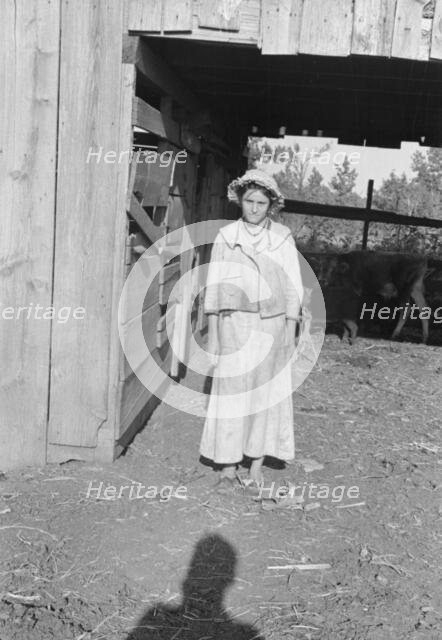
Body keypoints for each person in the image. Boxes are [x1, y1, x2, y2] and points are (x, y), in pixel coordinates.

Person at [200, 169, 304, 491]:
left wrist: (289, 328)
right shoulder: (227, 237)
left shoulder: (282, 238)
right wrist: (215, 334)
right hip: (234, 324)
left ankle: (255, 464)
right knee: (232, 392)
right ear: (240, 201)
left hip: (270, 325)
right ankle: (228, 465)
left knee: (264, 393)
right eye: (249, 201)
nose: (255, 208)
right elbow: (214, 288)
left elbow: (293, 287)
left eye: (261, 202)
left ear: (271, 204)